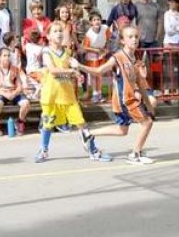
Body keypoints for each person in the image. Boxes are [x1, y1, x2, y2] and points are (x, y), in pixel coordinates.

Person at [81, 26, 157, 164]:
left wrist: (149, 105)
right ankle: (135, 154)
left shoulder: (134, 58)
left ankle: (88, 133)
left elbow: (140, 84)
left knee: (122, 130)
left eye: (136, 36)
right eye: (130, 37)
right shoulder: (118, 57)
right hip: (125, 100)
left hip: (127, 99)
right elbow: (99, 71)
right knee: (147, 123)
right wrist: (79, 66)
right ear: (122, 40)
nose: (134, 39)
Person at [37, 20, 110, 163]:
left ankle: (93, 150)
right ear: (48, 36)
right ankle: (43, 150)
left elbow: (71, 68)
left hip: (67, 95)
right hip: (51, 94)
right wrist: (71, 71)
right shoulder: (46, 51)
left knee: (81, 123)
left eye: (60, 31)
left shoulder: (67, 52)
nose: (59, 34)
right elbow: (53, 70)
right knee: (48, 124)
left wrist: (77, 74)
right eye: (55, 31)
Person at [0, 47, 31, 135]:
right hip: (1, 92)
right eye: (4, 56)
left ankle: (20, 121)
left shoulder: (15, 69)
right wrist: (4, 94)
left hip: (13, 92)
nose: (7, 58)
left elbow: (19, 86)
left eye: (8, 55)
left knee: (26, 103)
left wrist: (14, 93)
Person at [82, 12, 111, 103]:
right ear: (91, 22)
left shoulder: (105, 28)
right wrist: (96, 50)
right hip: (92, 55)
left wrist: (106, 48)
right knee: (94, 75)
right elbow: (85, 47)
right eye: (94, 20)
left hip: (101, 54)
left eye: (98, 19)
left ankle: (100, 93)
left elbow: (108, 39)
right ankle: (95, 94)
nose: (97, 22)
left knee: (100, 74)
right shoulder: (89, 34)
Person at [162, 0, 179, 97]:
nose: (171, 4)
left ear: (178, 3)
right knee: (168, 67)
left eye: (173, 2)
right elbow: (168, 30)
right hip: (169, 42)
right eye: (170, 1)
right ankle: (167, 89)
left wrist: (175, 27)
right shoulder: (167, 14)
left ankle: (178, 89)